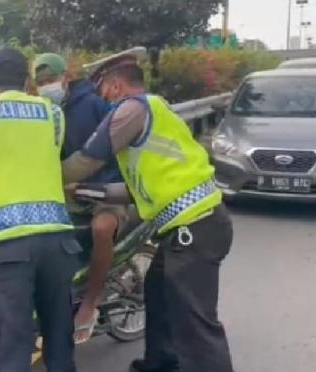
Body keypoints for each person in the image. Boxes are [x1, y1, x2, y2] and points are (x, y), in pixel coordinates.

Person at [62, 49, 234, 372]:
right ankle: (160, 363)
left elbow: (86, 160)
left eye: (101, 89)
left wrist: (44, 178)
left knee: (195, 322)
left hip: (195, 227)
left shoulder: (132, 109)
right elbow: (134, 191)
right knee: (157, 292)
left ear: (114, 85)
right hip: (191, 226)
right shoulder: (153, 112)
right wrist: (86, 191)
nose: (101, 100)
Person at [0, 48, 80, 372]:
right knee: (59, 335)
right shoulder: (52, 114)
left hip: (9, 242)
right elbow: (61, 160)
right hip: (57, 240)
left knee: (10, 341)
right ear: (27, 82)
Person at [33, 53, 128, 344]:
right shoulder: (41, 112)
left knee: (101, 230)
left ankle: (90, 304)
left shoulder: (94, 105)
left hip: (107, 191)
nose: (47, 86)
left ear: (65, 77)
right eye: (41, 82)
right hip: (67, 193)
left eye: (51, 80)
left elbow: (118, 144)